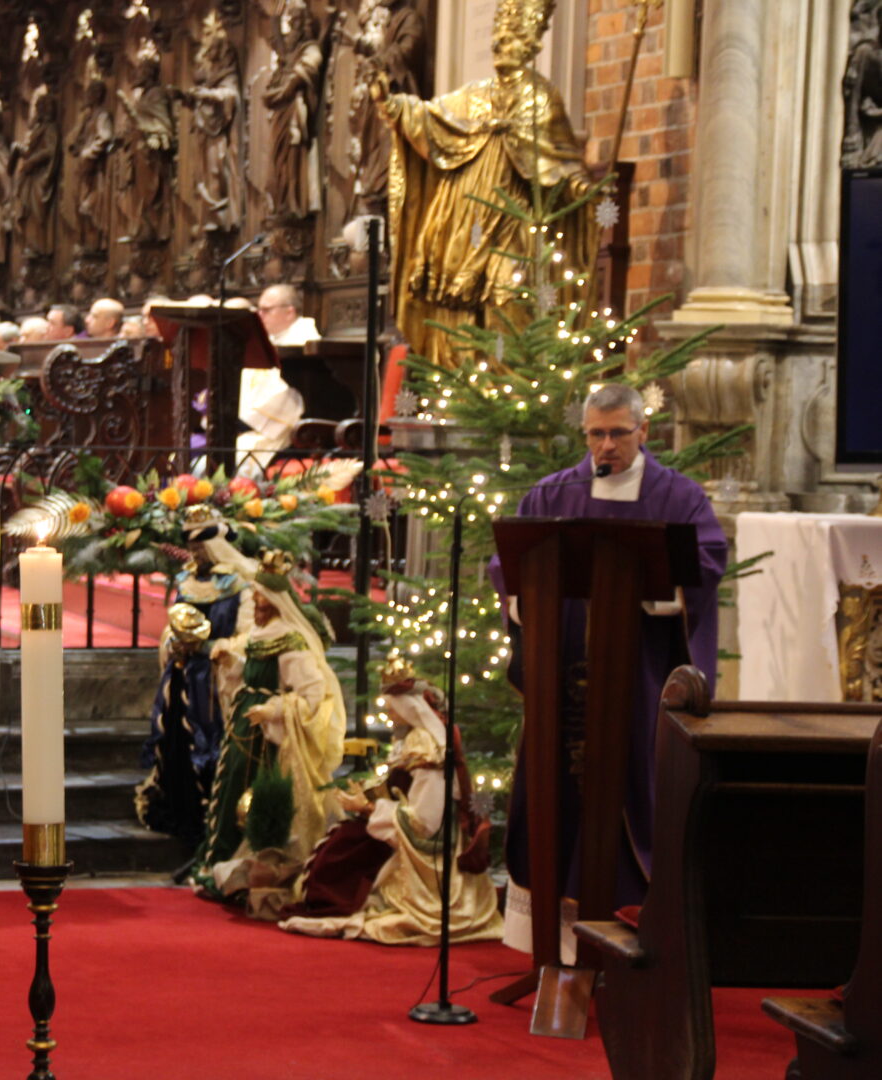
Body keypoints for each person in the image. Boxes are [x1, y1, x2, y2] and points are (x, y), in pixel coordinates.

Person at [488, 382, 727, 962]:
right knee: (556, 783)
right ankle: (557, 947)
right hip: (562, 670)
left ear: (644, 431)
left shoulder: (677, 497)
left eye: (619, 433)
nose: (606, 446)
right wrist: (521, 594)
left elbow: (705, 561)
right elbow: (508, 564)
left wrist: (648, 584)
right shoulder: (553, 493)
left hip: (638, 675)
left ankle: (628, 939)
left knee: (632, 778)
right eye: (596, 434)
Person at [371, 0, 595, 367]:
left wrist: (582, 190)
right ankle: (460, 382)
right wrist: (391, 104)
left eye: (512, 36)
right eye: (498, 36)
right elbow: (430, 120)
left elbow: (561, 161)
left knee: (510, 295)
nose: (500, 43)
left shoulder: (541, 98)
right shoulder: (474, 95)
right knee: (455, 307)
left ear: (533, 43)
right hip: (462, 226)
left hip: (512, 224)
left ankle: (511, 383)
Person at [279, 657, 503, 945]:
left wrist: (368, 807)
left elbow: (425, 821)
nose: (389, 714)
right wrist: (367, 799)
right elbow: (400, 788)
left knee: (345, 852)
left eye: (392, 708)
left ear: (409, 708)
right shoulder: (411, 739)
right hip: (396, 828)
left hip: (422, 848)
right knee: (343, 843)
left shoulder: (425, 745)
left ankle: (338, 900)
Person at [190, 551, 347, 919]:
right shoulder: (259, 634)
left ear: (275, 600)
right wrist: (231, 662)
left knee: (253, 793)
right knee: (232, 786)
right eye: (255, 595)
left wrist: (273, 710)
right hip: (245, 724)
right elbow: (252, 671)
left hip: (269, 735)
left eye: (260, 596)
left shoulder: (292, 642)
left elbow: (311, 696)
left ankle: (254, 863)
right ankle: (220, 860)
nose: (255, 602)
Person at [135, 509, 252, 845]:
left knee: (209, 740)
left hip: (215, 681)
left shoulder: (240, 585)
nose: (196, 553)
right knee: (176, 738)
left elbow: (248, 636)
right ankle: (179, 804)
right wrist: (174, 643)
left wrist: (211, 647)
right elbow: (174, 622)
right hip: (183, 674)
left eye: (201, 546)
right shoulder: (188, 581)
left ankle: (210, 811)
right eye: (192, 547)